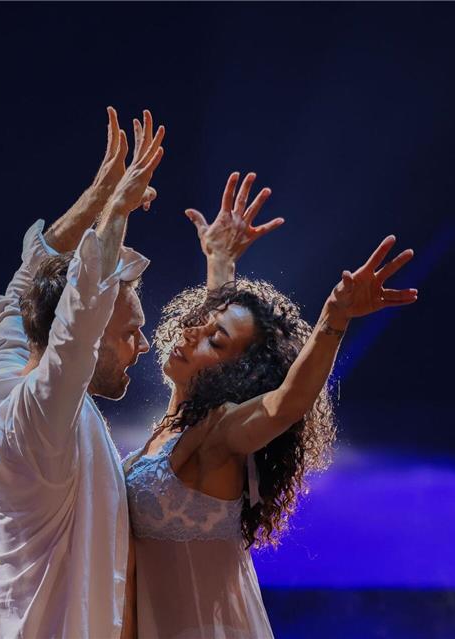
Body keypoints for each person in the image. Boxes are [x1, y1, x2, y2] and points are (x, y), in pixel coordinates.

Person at [123, 172, 418, 638]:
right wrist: (219, 261)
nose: (192, 332)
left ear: (233, 380)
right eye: (199, 321)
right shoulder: (180, 419)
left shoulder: (217, 435)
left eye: (213, 341)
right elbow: (221, 328)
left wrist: (333, 318)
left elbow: (285, 405)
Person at [0, 107, 163, 638]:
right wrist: (115, 213)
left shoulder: (6, 375)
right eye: (127, 332)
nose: (143, 344)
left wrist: (97, 196)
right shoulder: (35, 426)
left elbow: (28, 282)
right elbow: (79, 322)